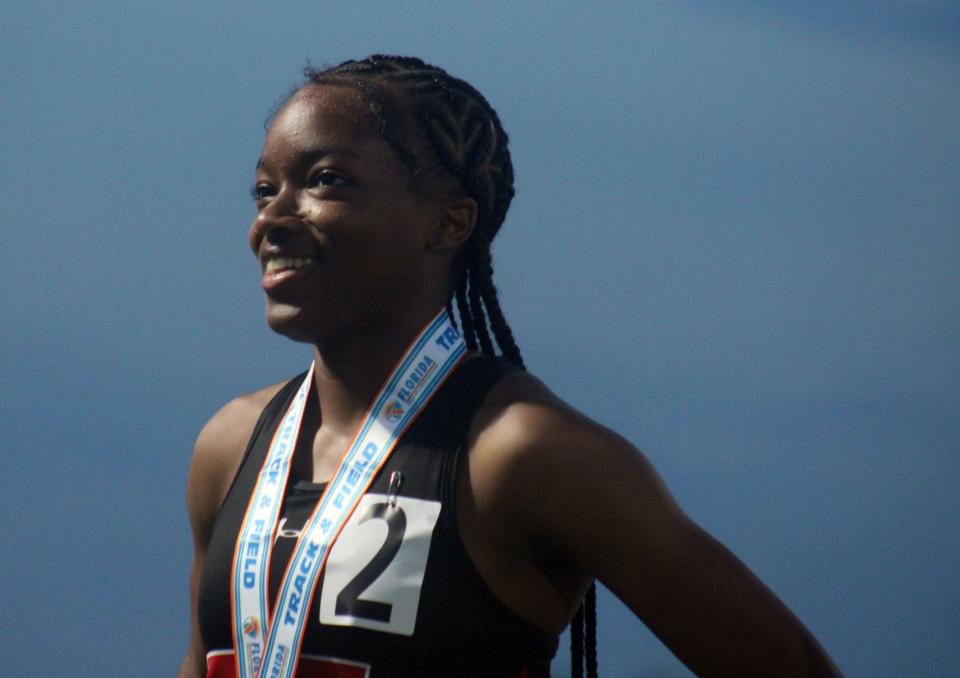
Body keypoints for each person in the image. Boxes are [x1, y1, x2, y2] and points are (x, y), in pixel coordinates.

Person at [180, 55, 840, 678]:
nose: (272, 218)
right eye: (264, 189)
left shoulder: (521, 455)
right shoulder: (232, 445)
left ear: (448, 223)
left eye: (326, 179)